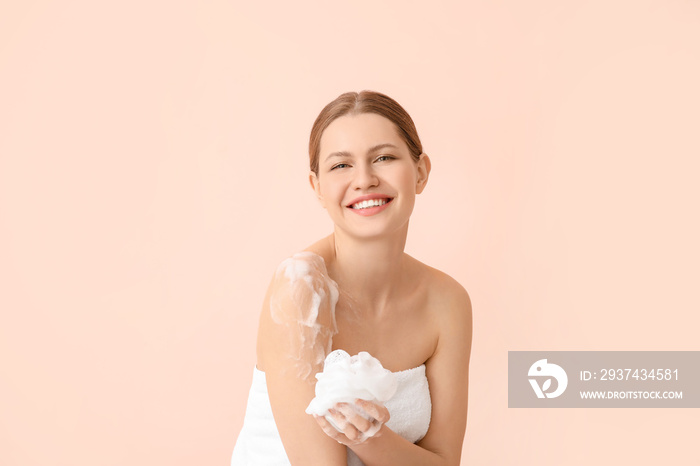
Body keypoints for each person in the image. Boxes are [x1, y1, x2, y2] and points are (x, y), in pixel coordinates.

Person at [231, 90, 473, 465]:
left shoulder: (447, 302)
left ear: (421, 171)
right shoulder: (300, 291)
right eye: (341, 166)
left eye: (384, 157)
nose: (364, 180)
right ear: (317, 188)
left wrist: (372, 439)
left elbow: (445, 461)